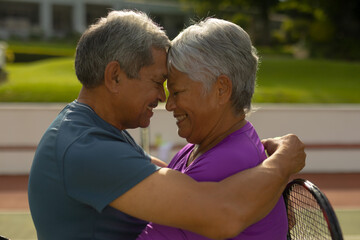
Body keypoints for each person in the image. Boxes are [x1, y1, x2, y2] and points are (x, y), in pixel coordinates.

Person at [28, 10, 305, 240]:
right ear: (114, 77)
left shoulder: (91, 132)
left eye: (174, 89)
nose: (164, 99)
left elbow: (173, 179)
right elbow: (222, 213)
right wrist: (282, 163)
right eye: (156, 82)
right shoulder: (86, 147)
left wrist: (263, 194)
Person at [138, 17, 289, 240]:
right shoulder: (211, 145)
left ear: (221, 89)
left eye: (177, 93)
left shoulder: (226, 161)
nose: (169, 105)